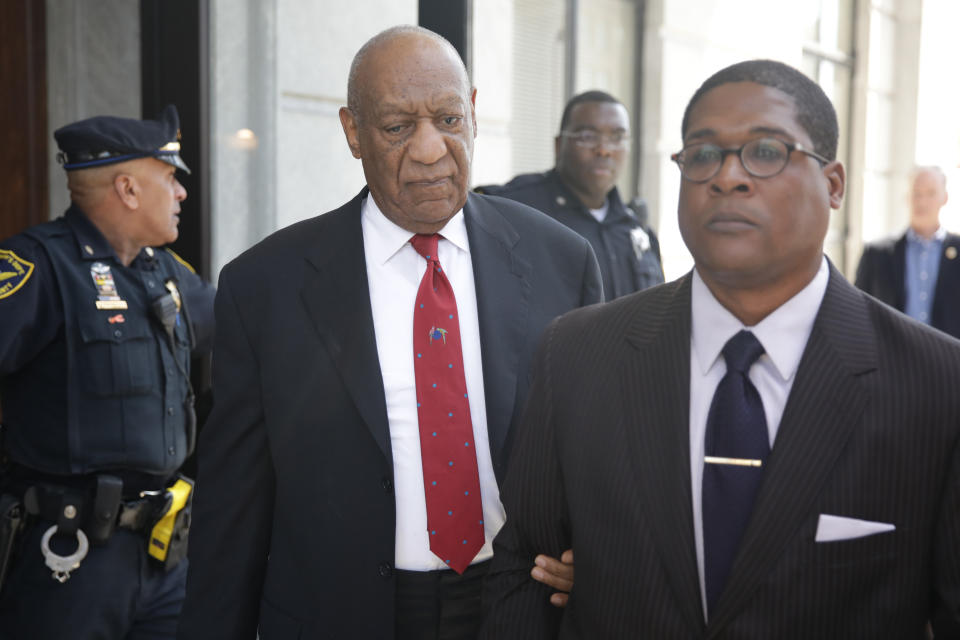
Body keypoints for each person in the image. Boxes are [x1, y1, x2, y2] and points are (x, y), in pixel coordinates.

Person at [481, 59, 960, 638]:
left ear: (833, 185)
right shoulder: (578, 357)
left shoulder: (938, 385)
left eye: (766, 151)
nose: (727, 176)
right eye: (703, 154)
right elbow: (520, 575)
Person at [176, 25, 602, 640]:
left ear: (474, 113)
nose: (430, 150)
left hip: (517, 608)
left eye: (449, 119)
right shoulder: (265, 287)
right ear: (353, 132)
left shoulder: (561, 260)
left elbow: (594, 455)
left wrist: (594, 556)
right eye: (399, 127)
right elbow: (234, 507)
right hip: (339, 615)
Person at [0, 105, 215, 638]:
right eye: (170, 177)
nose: (182, 192)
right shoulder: (37, 267)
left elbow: (248, 336)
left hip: (165, 558)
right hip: (69, 562)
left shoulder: (166, 273)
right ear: (128, 189)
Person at [478, 90, 663, 299]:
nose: (604, 150)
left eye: (617, 137)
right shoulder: (514, 210)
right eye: (588, 137)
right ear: (559, 145)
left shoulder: (635, 228)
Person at [855, 166, 960, 339]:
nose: (922, 202)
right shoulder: (877, 254)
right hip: (891, 360)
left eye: (931, 193)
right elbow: (858, 310)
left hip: (948, 360)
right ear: (907, 197)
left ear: (945, 198)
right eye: (917, 193)